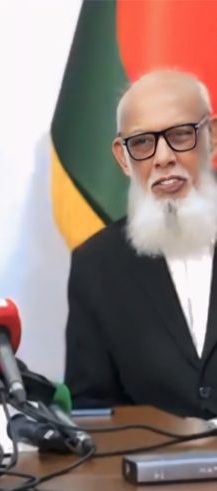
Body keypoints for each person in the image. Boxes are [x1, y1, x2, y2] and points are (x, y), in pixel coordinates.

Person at [65, 70, 217, 418]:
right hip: (151, 452)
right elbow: (93, 409)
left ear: (211, 136)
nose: (163, 158)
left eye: (180, 134)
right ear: (123, 158)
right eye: (143, 143)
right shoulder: (95, 265)